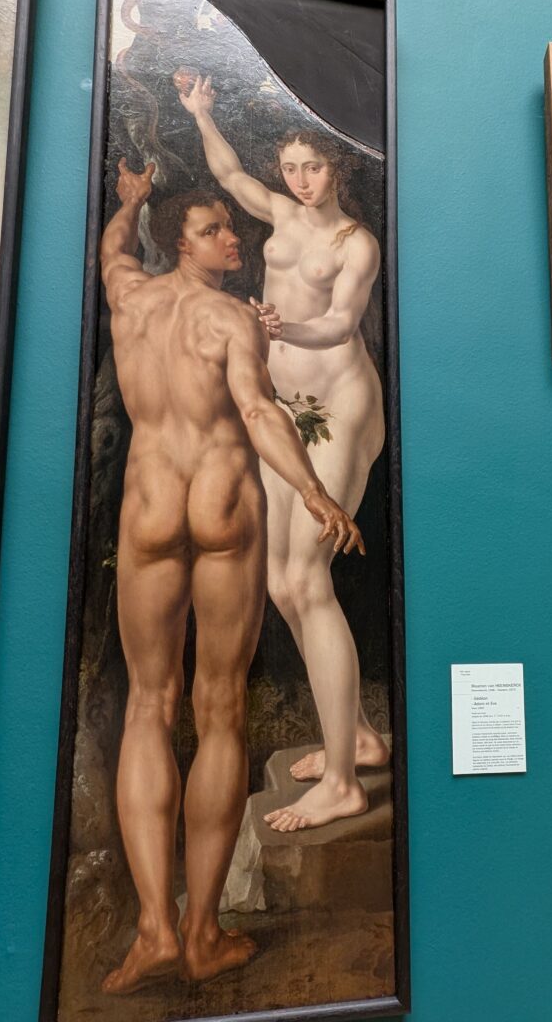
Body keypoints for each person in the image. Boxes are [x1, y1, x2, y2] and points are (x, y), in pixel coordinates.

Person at [100, 159, 363, 994]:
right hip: (221, 510)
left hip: (148, 510)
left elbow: (113, 252)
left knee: (150, 704)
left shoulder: (129, 301)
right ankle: (197, 933)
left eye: (229, 228)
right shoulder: (230, 318)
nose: (230, 239)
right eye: (212, 230)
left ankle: (156, 930)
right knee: (216, 709)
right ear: (182, 243)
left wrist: (130, 202)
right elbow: (257, 411)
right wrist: (315, 491)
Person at [180, 76, 389, 832]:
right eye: (292, 167)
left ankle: (342, 783)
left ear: (339, 168)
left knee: (306, 575)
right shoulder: (280, 211)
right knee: (279, 580)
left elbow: (339, 325)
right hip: (284, 409)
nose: (300, 181)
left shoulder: (354, 243)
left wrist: (278, 328)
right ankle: (356, 736)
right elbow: (230, 173)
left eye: (314, 167)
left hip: (337, 406)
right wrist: (202, 113)